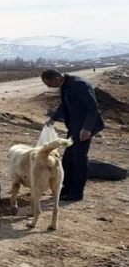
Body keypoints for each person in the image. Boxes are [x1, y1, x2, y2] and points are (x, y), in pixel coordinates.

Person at [41, 69, 105, 201]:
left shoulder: (79, 85)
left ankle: (76, 193)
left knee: (78, 159)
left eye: (49, 84)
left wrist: (87, 129)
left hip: (84, 126)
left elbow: (93, 108)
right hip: (75, 126)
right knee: (68, 159)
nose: (49, 87)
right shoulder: (65, 86)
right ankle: (66, 188)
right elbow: (64, 105)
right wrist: (53, 118)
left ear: (57, 78)